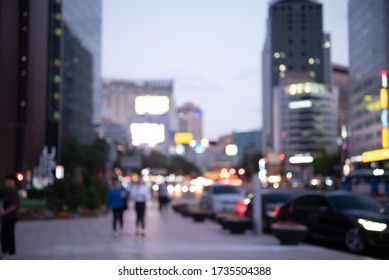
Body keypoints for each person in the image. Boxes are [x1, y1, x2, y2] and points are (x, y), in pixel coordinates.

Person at [0, 174, 20, 260]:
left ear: (12, 182)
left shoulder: (14, 192)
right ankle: (4, 252)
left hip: (11, 217)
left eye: (7, 182)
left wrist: (4, 212)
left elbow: (15, 205)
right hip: (6, 217)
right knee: (3, 235)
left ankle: (11, 253)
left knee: (8, 235)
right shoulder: (8, 192)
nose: (6, 183)